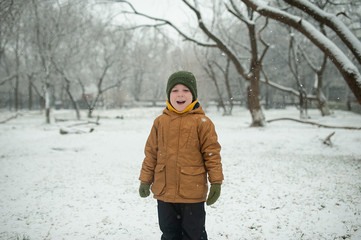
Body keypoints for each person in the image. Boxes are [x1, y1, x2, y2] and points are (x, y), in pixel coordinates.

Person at [138, 70, 224, 240]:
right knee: (169, 233)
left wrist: (216, 182)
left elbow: (212, 155)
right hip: (164, 193)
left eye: (185, 90)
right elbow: (151, 154)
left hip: (192, 192)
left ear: (193, 95)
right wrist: (145, 180)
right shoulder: (159, 122)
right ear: (169, 95)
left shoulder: (203, 123)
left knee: (194, 234)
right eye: (175, 90)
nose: (180, 95)